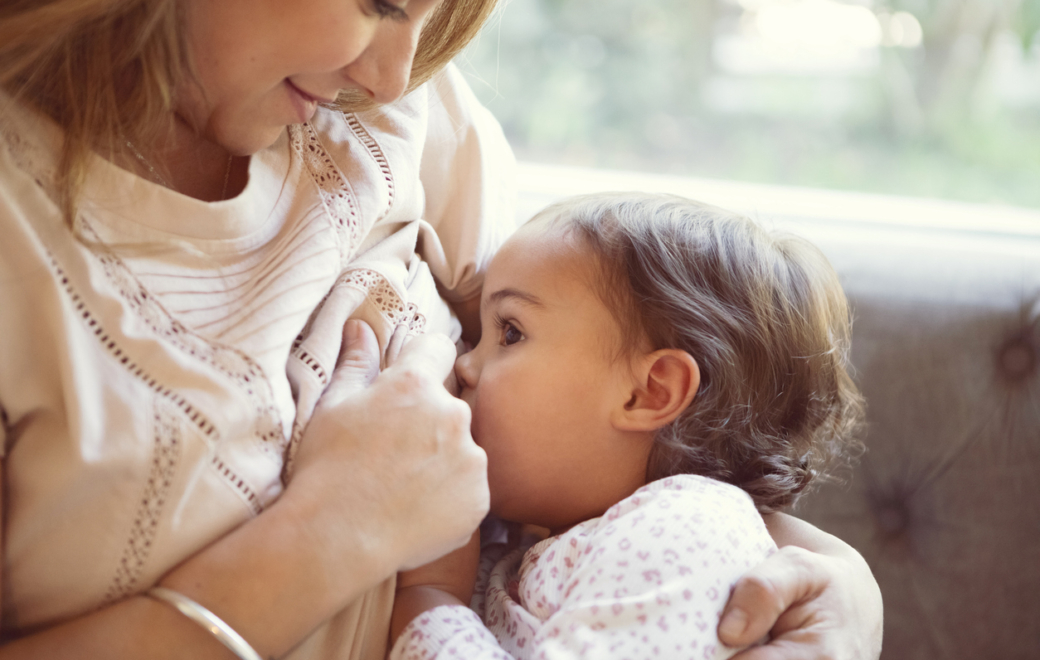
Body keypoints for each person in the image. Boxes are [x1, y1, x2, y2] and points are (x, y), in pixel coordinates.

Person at [0, 1, 881, 659]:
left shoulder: (397, 109)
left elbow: (620, 410)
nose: (394, 74)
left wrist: (838, 589)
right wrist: (336, 531)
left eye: (434, 9)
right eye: (381, 0)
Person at [387, 193, 867, 658]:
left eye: (510, 332)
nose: (465, 365)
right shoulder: (557, 532)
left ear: (649, 393)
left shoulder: (684, 537)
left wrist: (433, 595)